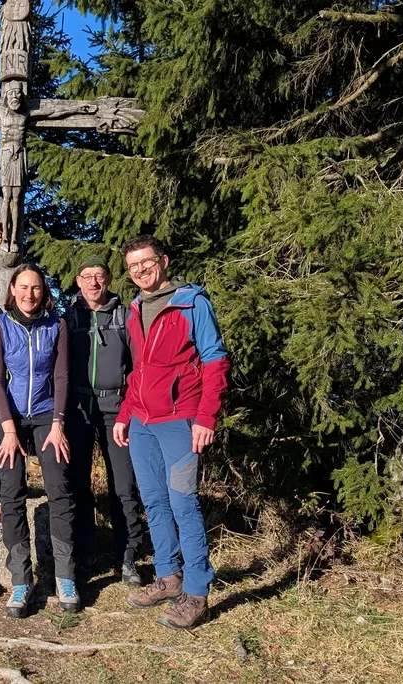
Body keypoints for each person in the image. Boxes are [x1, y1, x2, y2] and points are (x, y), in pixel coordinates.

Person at [113, 235, 230, 629]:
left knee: (183, 504)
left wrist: (207, 418)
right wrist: (125, 414)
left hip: (181, 420)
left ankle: (196, 593)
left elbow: (215, 360)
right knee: (155, 502)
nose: (140, 270)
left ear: (162, 261)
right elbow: (139, 370)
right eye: (133, 266)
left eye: (146, 262)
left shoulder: (191, 302)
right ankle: (168, 577)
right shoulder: (135, 309)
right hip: (142, 423)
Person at [0, 263, 77, 617]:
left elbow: (62, 376)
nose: (29, 294)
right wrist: (9, 430)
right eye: (23, 287)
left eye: (36, 288)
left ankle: (65, 577)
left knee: (60, 490)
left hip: (46, 414)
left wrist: (58, 424)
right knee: (12, 493)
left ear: (43, 292)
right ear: (12, 290)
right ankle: (21, 580)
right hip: (9, 415)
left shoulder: (57, 325)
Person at [63, 255, 146, 586]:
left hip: (117, 410)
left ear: (109, 279)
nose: (93, 282)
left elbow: (138, 366)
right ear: (78, 281)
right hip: (79, 410)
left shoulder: (124, 316)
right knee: (79, 484)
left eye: (99, 276)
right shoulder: (69, 318)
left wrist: (130, 407)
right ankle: (86, 553)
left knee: (123, 487)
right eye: (87, 276)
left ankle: (128, 556)